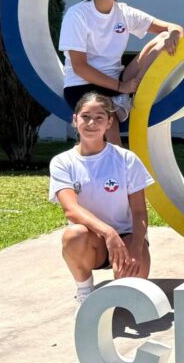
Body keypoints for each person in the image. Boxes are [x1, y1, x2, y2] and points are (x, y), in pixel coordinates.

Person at [58, 0, 184, 145]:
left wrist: (175, 33)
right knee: (109, 128)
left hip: (118, 79)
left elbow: (172, 27)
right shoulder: (77, 14)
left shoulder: (124, 12)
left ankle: (138, 92)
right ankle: (109, 155)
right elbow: (79, 67)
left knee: (164, 38)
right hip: (82, 85)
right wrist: (121, 88)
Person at [50, 93, 154, 307]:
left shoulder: (126, 159)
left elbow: (139, 212)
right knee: (73, 234)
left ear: (109, 122)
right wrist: (108, 233)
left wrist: (136, 247)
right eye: (85, 116)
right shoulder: (62, 162)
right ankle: (85, 291)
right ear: (74, 120)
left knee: (129, 301)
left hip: (127, 238)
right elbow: (71, 210)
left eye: (99, 117)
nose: (91, 123)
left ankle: (124, 277)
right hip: (93, 240)